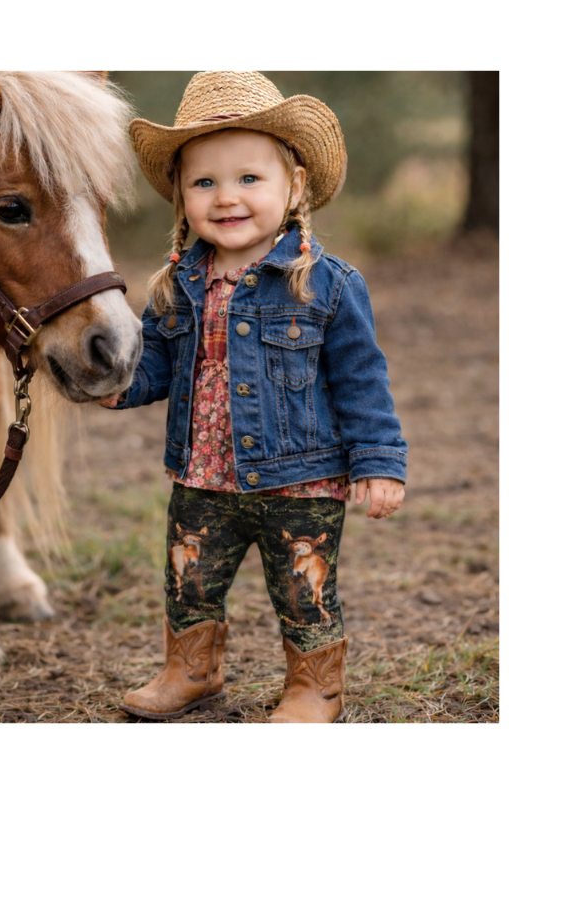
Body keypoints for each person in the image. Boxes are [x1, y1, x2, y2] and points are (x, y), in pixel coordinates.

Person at [102, 71, 407, 724]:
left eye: (248, 178)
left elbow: (361, 378)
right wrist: (122, 384)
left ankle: (314, 687)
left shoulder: (324, 284)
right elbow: (156, 363)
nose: (226, 197)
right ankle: (192, 670)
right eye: (204, 182)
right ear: (181, 199)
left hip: (301, 483)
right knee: (190, 582)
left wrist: (379, 462)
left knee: (303, 592)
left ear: (293, 186)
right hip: (203, 477)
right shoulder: (175, 285)